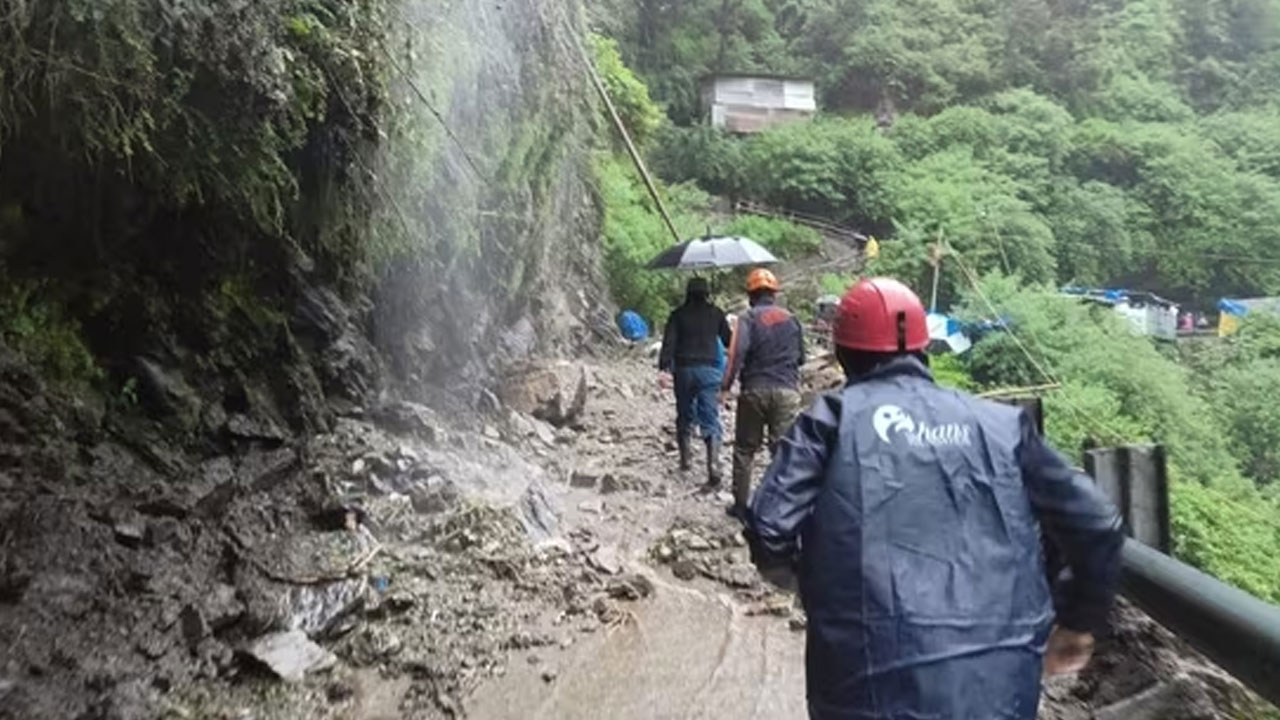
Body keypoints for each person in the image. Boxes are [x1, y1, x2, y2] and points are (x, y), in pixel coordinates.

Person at [746, 277, 1124, 720]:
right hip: (999, 687)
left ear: (843, 355)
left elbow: (769, 528)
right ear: (926, 348)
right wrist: (1075, 622)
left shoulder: (831, 419)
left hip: (862, 686)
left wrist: (817, 585)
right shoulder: (1003, 426)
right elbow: (1097, 525)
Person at [721, 268, 805, 517]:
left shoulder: (746, 319)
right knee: (782, 451)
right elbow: (800, 358)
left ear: (751, 295)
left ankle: (740, 506)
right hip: (787, 391)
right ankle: (782, 507)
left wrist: (725, 387)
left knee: (745, 450)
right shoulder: (792, 319)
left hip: (754, 391)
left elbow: (736, 355)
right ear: (774, 294)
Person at [658, 277, 733, 483]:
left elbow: (669, 343)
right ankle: (713, 464)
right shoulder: (716, 313)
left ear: (688, 293)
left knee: (684, 412)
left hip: (683, 370)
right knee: (709, 416)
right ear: (707, 293)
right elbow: (728, 340)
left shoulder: (677, 315)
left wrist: (664, 367)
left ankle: (685, 459)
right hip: (709, 370)